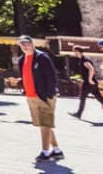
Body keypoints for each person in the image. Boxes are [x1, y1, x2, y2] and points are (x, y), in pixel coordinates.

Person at [17, 34, 63, 162]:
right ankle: (57, 151)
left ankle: (45, 152)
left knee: (45, 124)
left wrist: (49, 95)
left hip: (44, 96)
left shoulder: (42, 57)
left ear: (32, 44)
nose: (24, 46)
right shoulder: (22, 60)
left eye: (26, 43)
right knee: (43, 124)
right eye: (21, 44)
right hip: (30, 96)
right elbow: (26, 75)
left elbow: (52, 77)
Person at [70, 45, 103, 121]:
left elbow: (91, 69)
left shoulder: (84, 60)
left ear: (78, 52)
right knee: (100, 99)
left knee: (83, 98)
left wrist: (90, 79)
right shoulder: (83, 59)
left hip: (88, 83)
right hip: (92, 83)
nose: (74, 53)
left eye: (75, 51)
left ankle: (79, 114)